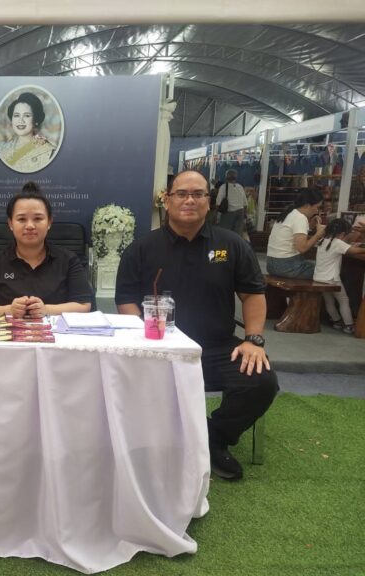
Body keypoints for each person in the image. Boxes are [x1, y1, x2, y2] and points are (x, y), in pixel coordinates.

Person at [115, 171, 278, 481]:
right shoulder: (142, 248)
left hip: (217, 348)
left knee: (261, 382)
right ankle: (144, 443)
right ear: (168, 200)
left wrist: (253, 340)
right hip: (158, 349)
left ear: (209, 201)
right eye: (181, 193)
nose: (189, 200)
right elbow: (126, 301)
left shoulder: (231, 245)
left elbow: (253, 294)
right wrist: (144, 339)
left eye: (198, 194)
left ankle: (213, 439)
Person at [0, 182, 93, 318]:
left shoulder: (69, 260)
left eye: (37, 218)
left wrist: (46, 309)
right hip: (10, 330)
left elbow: (84, 305)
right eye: (21, 219)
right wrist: (9, 309)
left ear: (49, 222)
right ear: (10, 223)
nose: (30, 225)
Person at [314, 218, 365, 334]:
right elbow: (355, 251)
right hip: (332, 279)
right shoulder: (338, 243)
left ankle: (336, 321)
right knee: (343, 300)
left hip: (319, 278)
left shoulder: (322, 240)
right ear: (342, 234)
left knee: (329, 301)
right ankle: (349, 325)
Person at [266, 189, 325, 279]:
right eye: (317, 207)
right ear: (307, 205)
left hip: (271, 264)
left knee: (314, 266)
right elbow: (302, 248)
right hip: (286, 266)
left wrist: (310, 225)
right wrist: (318, 235)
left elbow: (292, 233)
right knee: (324, 271)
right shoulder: (300, 218)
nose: (317, 211)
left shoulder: (289, 212)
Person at [0, 92, 56, 172]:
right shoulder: (1, 148)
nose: (20, 121)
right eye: (16, 115)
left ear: (36, 120)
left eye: (27, 115)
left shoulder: (49, 152)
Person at [215, 169, 248, 235]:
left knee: (225, 234)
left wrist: (216, 216)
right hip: (240, 213)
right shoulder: (240, 187)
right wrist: (244, 216)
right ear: (236, 177)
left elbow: (218, 203)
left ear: (226, 177)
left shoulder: (223, 187)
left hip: (228, 214)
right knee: (237, 235)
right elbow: (245, 204)